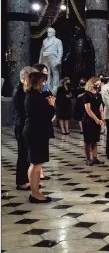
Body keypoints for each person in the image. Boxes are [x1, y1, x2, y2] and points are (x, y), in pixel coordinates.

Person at [23, 72, 56, 203]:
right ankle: (35, 194)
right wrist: (52, 105)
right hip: (37, 131)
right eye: (43, 81)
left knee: (36, 162)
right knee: (37, 163)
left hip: (34, 130)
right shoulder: (36, 97)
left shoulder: (33, 96)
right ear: (37, 82)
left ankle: (35, 191)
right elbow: (47, 115)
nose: (44, 84)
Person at [13, 66, 37, 190]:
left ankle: (27, 179)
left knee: (27, 154)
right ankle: (21, 181)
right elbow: (23, 110)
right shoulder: (19, 91)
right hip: (21, 125)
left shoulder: (26, 90)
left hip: (26, 125)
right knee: (23, 154)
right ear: (27, 77)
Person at [32, 64, 53, 181]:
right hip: (38, 125)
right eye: (44, 73)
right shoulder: (34, 94)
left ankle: (40, 173)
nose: (46, 75)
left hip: (45, 122)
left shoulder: (45, 89)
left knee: (41, 154)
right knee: (37, 157)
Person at [82, 77, 105, 166]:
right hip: (88, 119)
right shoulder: (86, 95)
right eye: (97, 84)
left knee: (95, 140)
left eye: (99, 84)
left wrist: (101, 119)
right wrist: (96, 119)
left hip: (98, 119)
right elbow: (88, 109)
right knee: (88, 140)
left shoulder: (98, 95)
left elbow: (100, 107)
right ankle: (88, 159)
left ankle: (95, 158)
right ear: (92, 84)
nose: (98, 86)